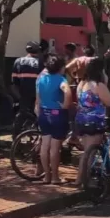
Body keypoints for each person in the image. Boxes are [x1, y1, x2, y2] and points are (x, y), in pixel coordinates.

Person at [75, 58, 110, 186]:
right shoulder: (98, 85)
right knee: (90, 153)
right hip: (94, 121)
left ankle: (79, 179)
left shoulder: (82, 84)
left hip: (81, 120)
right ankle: (85, 180)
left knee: (86, 152)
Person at [35, 56, 72, 184]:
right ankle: (55, 177)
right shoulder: (61, 79)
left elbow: (38, 99)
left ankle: (46, 176)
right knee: (55, 148)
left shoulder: (41, 79)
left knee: (45, 146)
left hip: (44, 114)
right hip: (57, 114)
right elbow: (67, 92)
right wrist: (65, 105)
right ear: (60, 68)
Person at [12, 41, 44, 138]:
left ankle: (15, 137)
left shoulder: (18, 61)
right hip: (38, 95)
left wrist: (19, 97)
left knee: (22, 114)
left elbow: (14, 82)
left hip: (23, 94)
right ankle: (39, 139)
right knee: (39, 116)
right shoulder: (40, 62)